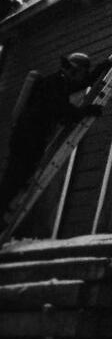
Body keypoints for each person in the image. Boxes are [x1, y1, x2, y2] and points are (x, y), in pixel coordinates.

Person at [0, 52, 106, 218]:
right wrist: (87, 111)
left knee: (22, 175)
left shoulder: (61, 82)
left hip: (32, 137)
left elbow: (82, 83)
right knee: (17, 175)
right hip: (27, 137)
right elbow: (62, 109)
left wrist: (101, 68)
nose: (82, 77)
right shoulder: (53, 84)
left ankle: (4, 208)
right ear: (73, 71)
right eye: (81, 72)